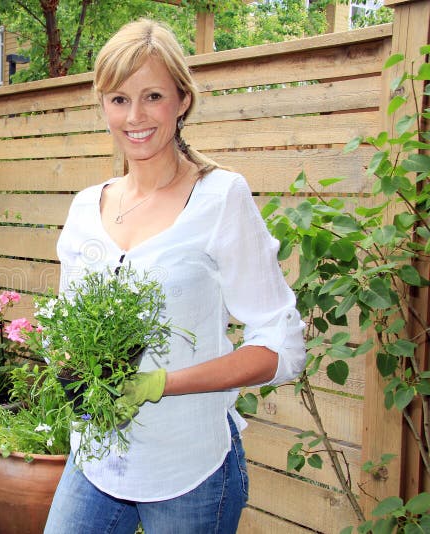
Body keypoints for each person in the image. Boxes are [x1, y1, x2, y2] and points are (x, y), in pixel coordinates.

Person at [43, 18, 306, 534]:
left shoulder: (221, 198)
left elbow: (282, 347)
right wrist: (70, 370)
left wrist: (161, 383)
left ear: (182, 101)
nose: (134, 116)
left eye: (153, 96)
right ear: (102, 106)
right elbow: (67, 334)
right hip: (96, 459)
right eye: (118, 99)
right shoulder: (84, 208)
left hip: (190, 468)